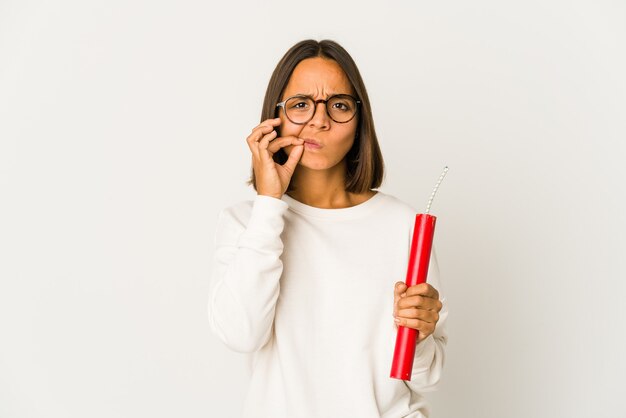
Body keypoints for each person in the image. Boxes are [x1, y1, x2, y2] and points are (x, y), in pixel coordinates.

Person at [207, 39, 448, 418]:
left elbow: (426, 376)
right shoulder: (246, 223)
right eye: (301, 105)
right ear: (276, 117)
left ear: (359, 121)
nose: (319, 120)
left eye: (338, 105)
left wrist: (420, 334)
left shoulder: (403, 225)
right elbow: (241, 334)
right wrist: (269, 204)